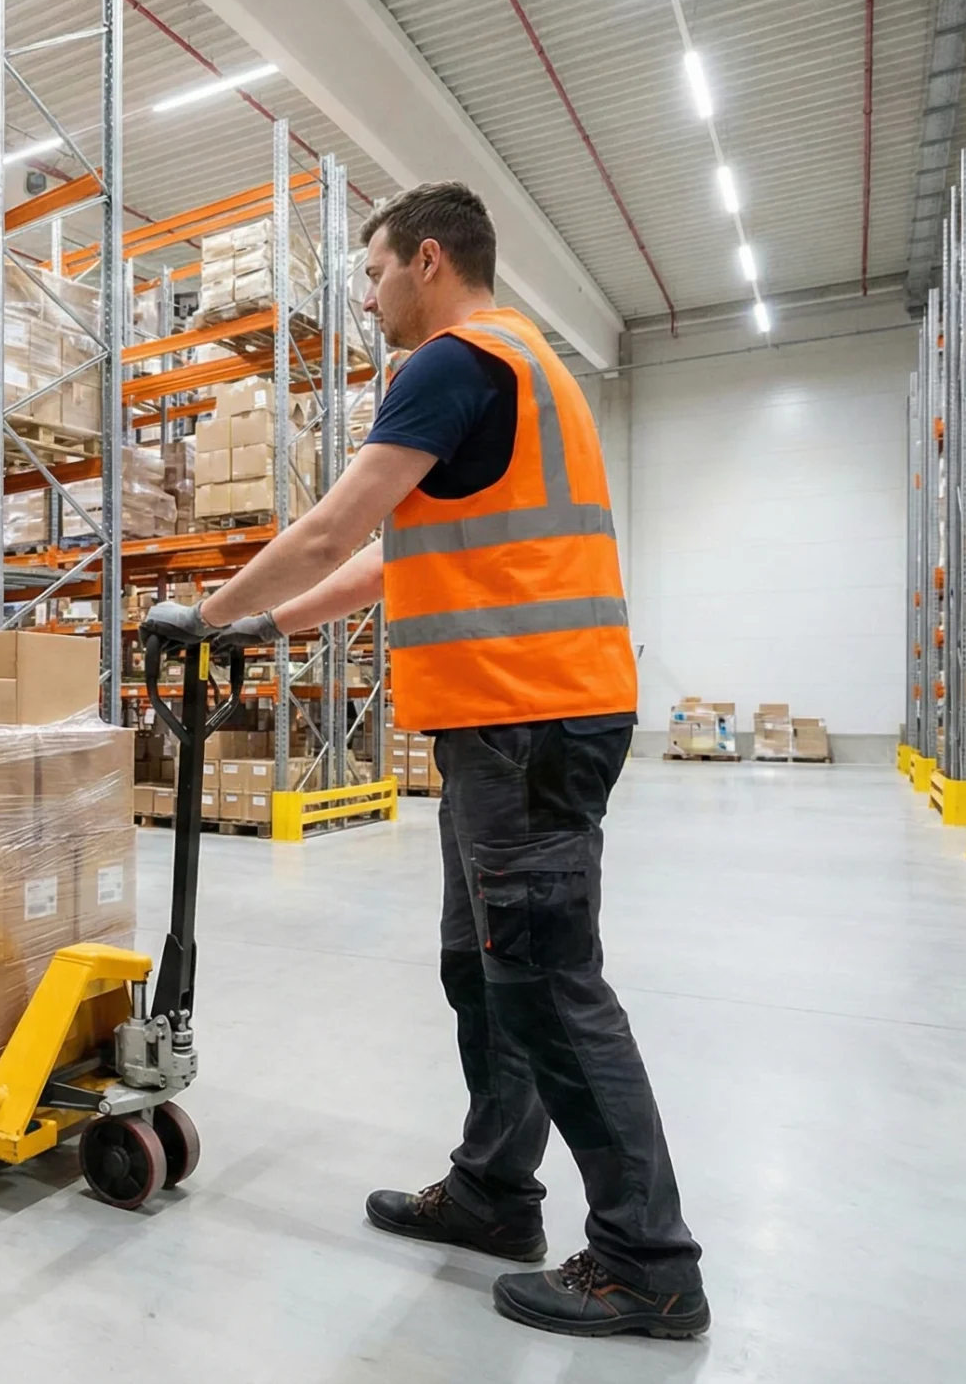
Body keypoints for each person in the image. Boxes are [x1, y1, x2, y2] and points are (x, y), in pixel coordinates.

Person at [143, 181, 708, 1340]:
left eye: (374, 271)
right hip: (510, 723)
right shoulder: (526, 367)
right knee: (482, 966)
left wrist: (200, 617)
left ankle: (647, 1258)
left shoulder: (451, 365)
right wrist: (264, 628)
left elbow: (328, 529)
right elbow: (389, 561)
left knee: (547, 981)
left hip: (528, 723)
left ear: (430, 260)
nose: (366, 296)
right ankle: (496, 1192)